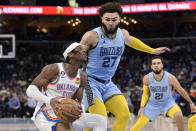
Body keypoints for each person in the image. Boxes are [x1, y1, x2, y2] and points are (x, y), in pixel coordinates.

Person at [80, 2, 170, 131]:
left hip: (108, 83)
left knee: (124, 114)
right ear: (102, 19)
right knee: (100, 119)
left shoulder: (123, 34)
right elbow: (76, 56)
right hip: (89, 82)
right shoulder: (91, 36)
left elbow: (133, 42)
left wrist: (153, 51)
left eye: (114, 20)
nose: (111, 23)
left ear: (120, 19)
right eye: (107, 19)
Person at [26, 42, 107, 131]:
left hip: (67, 112)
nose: (84, 51)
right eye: (80, 49)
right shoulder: (54, 69)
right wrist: (50, 100)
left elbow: (78, 101)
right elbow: (30, 90)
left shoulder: (82, 76)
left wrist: (79, 109)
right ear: (70, 54)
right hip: (46, 113)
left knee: (101, 120)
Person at [130, 56, 196, 131]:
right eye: (154, 63)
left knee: (179, 115)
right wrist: (142, 107)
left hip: (167, 103)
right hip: (152, 104)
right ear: (151, 66)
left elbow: (181, 90)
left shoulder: (170, 78)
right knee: (135, 128)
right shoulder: (146, 78)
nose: (156, 65)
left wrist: (191, 103)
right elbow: (145, 94)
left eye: (158, 63)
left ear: (162, 65)